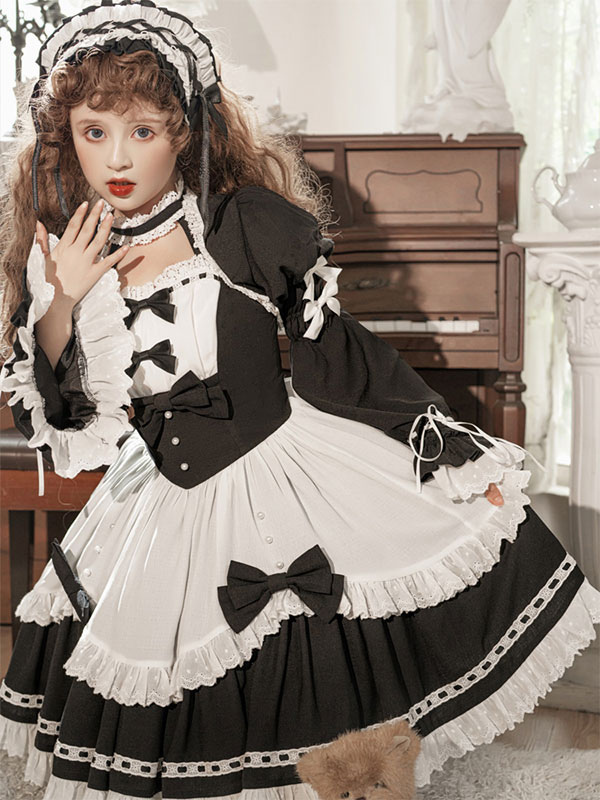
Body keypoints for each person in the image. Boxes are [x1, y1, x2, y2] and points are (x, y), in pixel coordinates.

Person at [0, 2, 598, 798]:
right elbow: (71, 422)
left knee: (315, 652)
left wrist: (450, 456)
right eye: (94, 130)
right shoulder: (64, 251)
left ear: (185, 133)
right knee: (161, 661)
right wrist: (64, 302)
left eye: (142, 130)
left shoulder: (243, 226)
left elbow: (340, 355)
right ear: (66, 137)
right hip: (155, 494)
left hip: (278, 463)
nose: (117, 156)